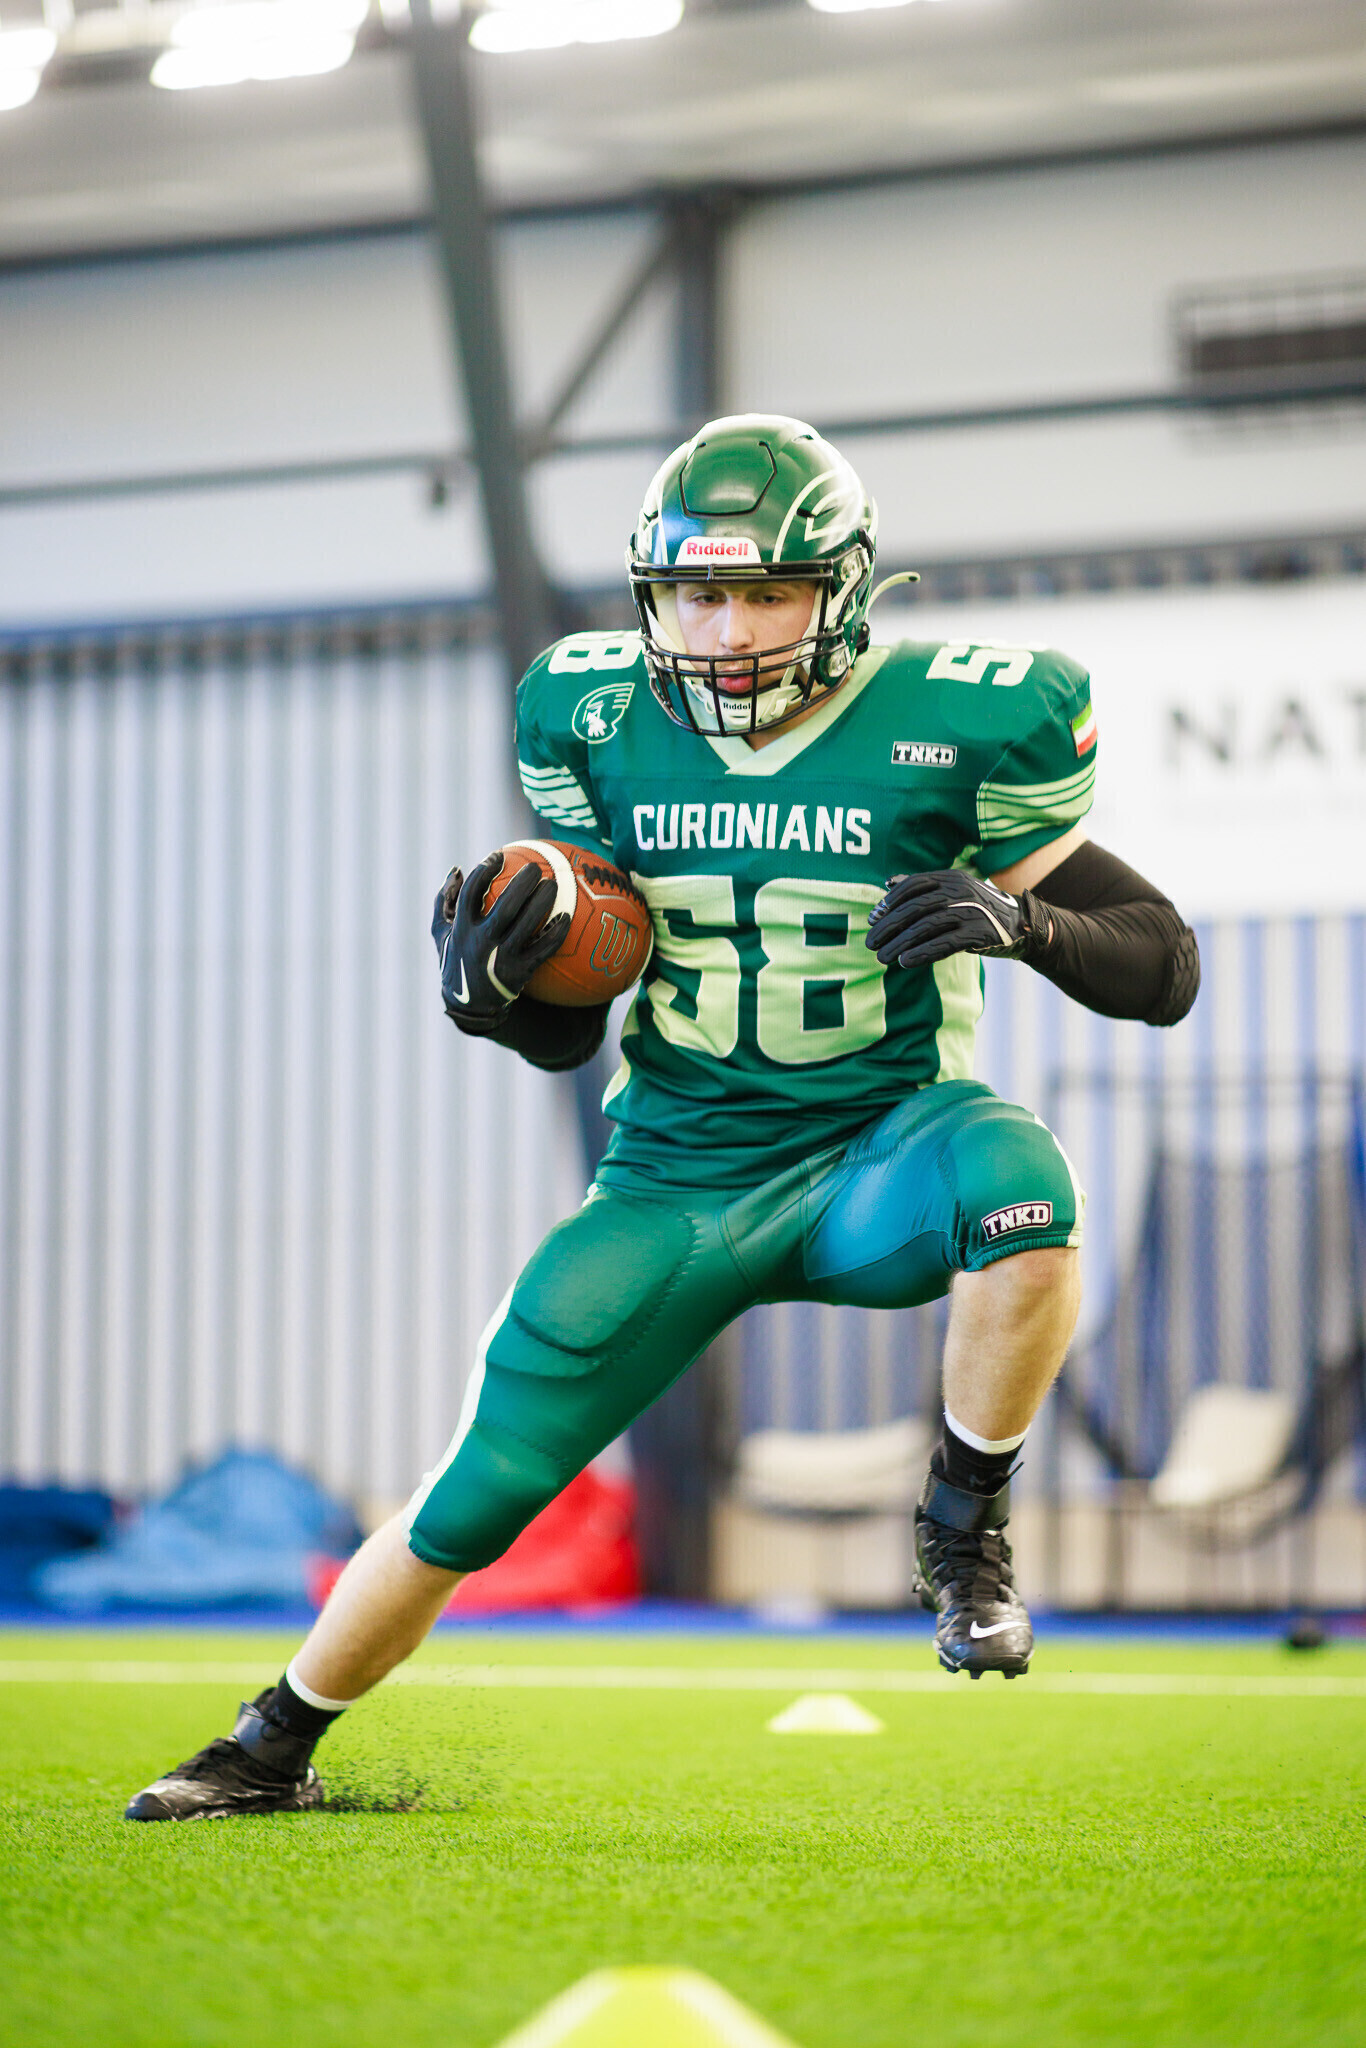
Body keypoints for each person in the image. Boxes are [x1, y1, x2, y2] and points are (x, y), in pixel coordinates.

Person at [125, 415, 1199, 1820]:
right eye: (698, 592)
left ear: (843, 589)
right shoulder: (592, 714)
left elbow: (1163, 965)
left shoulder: (965, 719)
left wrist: (1024, 922)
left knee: (1022, 1189)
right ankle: (271, 1743)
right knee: (477, 1490)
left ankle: (962, 1526)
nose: (727, 630)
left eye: (768, 592)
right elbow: (574, 1026)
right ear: (655, 593)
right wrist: (503, 998)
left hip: (879, 1153)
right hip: (673, 1181)